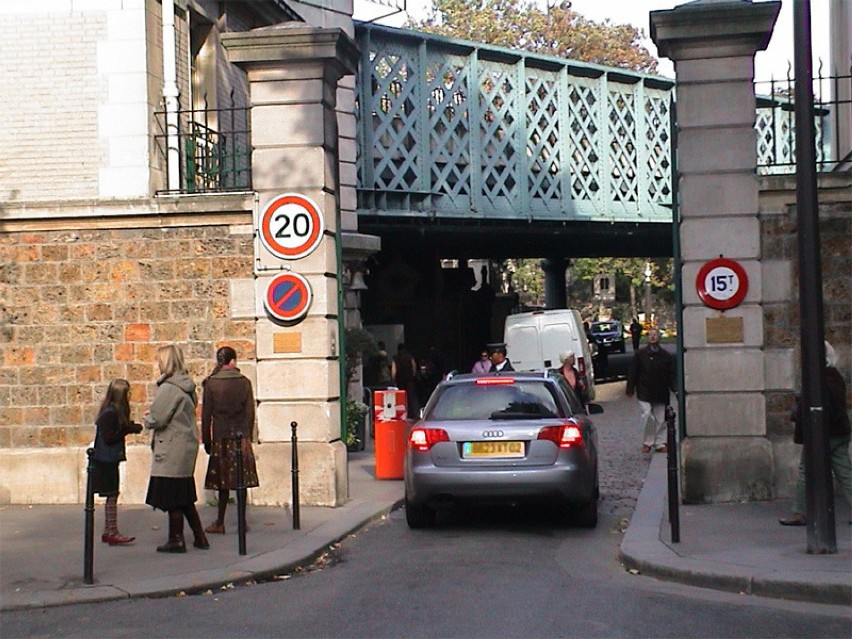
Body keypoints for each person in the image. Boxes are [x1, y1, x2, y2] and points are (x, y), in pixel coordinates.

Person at [144, 345, 209, 553]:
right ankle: (200, 536)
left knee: (173, 497)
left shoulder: (169, 388)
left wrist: (147, 418)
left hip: (172, 446)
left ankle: (176, 538)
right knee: (184, 496)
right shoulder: (186, 386)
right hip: (185, 445)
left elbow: (158, 417)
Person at [779, 341, 852, 526]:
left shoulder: (818, 378)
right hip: (838, 433)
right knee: (845, 473)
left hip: (822, 434)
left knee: (806, 471)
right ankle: (800, 512)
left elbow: (823, 407)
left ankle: (800, 512)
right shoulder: (835, 376)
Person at [201, 346, 259, 535]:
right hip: (240, 437)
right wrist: (248, 435)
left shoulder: (211, 384)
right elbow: (250, 413)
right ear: (232, 361)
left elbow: (206, 415)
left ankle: (220, 521)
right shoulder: (244, 382)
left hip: (220, 437)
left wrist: (207, 440)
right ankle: (242, 521)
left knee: (222, 482)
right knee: (241, 482)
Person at [92, 378, 143, 546]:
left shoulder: (110, 411)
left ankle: (110, 530)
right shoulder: (110, 413)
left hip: (108, 459)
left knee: (112, 495)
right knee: (112, 495)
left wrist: (129, 428)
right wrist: (127, 429)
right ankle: (112, 531)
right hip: (105, 460)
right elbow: (109, 437)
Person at [626, 328, 676, 453]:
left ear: (659, 337)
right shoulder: (640, 354)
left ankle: (660, 443)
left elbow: (671, 375)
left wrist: (675, 389)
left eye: (655, 335)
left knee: (661, 420)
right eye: (651, 335)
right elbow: (633, 371)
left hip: (660, 391)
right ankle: (648, 442)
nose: (653, 337)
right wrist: (630, 388)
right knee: (647, 415)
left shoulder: (666, 356)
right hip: (644, 390)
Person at [391, 343, 420, 417]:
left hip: (399, 380)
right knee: (411, 397)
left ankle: (402, 413)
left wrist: (393, 380)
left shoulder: (395, 358)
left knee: (400, 397)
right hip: (409, 380)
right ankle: (413, 414)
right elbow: (414, 368)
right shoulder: (409, 357)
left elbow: (394, 371)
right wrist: (413, 376)